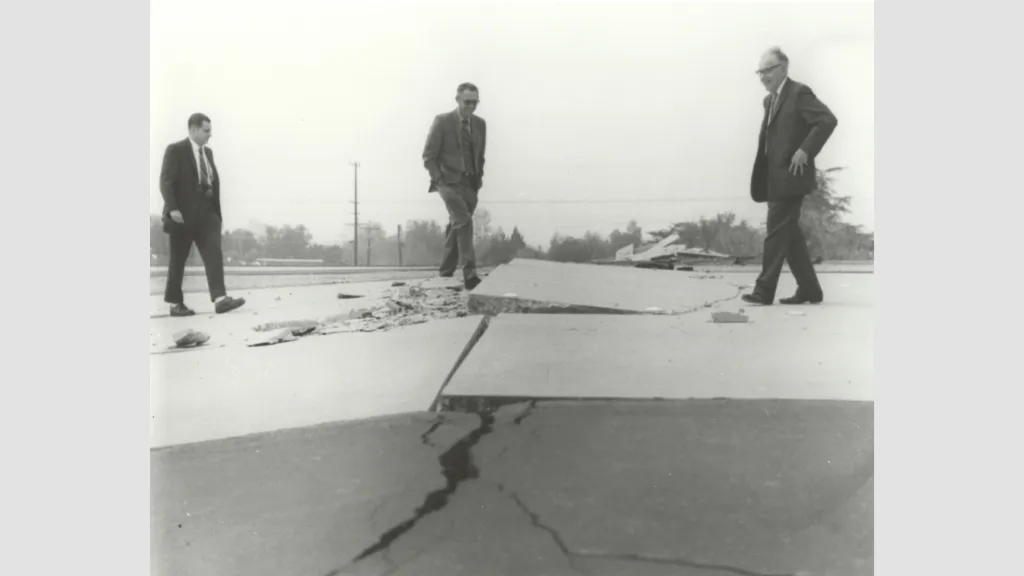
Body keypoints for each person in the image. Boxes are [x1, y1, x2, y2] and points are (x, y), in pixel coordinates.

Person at [743, 47, 837, 306]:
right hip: (774, 179)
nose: (763, 76)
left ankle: (764, 291)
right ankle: (810, 290)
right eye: (759, 72)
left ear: (783, 68)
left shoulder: (799, 93)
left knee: (776, 233)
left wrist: (805, 150)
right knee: (789, 237)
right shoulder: (769, 100)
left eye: (768, 70)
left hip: (791, 177)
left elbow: (827, 121)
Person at [159, 113, 246, 316]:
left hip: (207, 215)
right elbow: (166, 181)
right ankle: (175, 304)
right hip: (182, 215)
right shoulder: (176, 150)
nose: (209, 135)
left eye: (210, 131)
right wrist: (173, 209)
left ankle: (220, 299)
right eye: (206, 131)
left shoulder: (208, 153)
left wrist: (216, 215)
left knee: (214, 252)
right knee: (178, 259)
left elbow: (213, 182)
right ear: (194, 129)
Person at [422, 82, 487, 290]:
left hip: (471, 185)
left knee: (456, 224)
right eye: (467, 102)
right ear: (457, 100)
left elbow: (480, 155)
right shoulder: (442, 122)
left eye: (475, 102)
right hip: (448, 183)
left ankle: (446, 270)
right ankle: (470, 274)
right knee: (464, 221)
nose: (471, 106)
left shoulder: (480, 124)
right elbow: (428, 156)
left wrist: (478, 180)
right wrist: (439, 181)